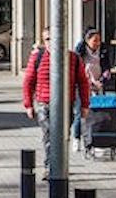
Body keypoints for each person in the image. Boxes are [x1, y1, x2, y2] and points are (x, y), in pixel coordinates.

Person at [22, 27, 90, 174]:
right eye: (47, 39)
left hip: (66, 105)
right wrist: (28, 105)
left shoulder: (73, 58)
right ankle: (50, 167)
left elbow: (83, 82)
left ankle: (60, 165)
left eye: (54, 38)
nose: (51, 42)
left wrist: (85, 105)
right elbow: (28, 81)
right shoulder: (37, 58)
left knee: (63, 136)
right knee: (50, 135)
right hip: (44, 104)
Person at [72, 28, 110, 154]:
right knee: (80, 112)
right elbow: (77, 68)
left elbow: (106, 67)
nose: (97, 43)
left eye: (99, 40)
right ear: (87, 40)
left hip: (98, 84)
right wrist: (88, 81)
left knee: (98, 112)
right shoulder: (80, 50)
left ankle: (97, 140)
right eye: (95, 41)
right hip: (83, 84)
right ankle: (76, 138)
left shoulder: (103, 50)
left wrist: (103, 79)